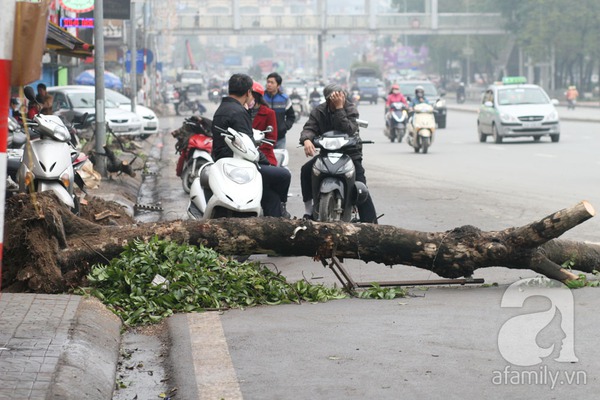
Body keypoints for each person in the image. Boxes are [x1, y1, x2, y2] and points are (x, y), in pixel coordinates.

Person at [211, 73, 291, 218]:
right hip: (239, 165)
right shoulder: (239, 112)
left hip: (222, 161)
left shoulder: (221, 110)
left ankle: (275, 214)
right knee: (283, 175)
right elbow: (247, 146)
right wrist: (264, 161)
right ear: (248, 92)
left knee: (270, 194)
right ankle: (281, 210)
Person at [299, 83, 378, 223]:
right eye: (335, 96)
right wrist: (306, 140)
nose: (340, 97)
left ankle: (371, 225)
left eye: (341, 95)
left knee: (360, 186)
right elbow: (309, 128)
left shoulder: (350, 108)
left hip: (350, 154)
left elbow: (347, 129)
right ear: (328, 98)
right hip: (326, 154)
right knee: (306, 170)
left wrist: (339, 108)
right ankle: (309, 211)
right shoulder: (319, 111)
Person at [248, 81, 278, 166]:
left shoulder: (269, 113)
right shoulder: (242, 112)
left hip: (264, 156)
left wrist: (256, 152)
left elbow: (272, 139)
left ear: (255, 96)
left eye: (249, 94)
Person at [264, 72, 295, 149]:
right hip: (263, 138)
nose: (269, 84)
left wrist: (284, 127)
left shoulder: (284, 99)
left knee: (279, 159)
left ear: (278, 85)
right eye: (268, 82)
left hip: (280, 138)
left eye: (272, 82)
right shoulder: (261, 98)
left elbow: (291, 116)